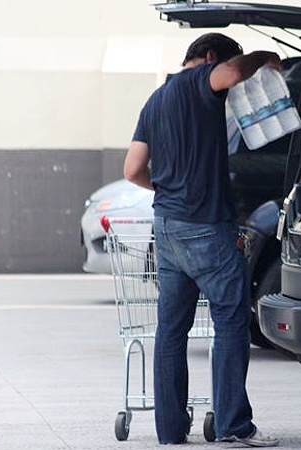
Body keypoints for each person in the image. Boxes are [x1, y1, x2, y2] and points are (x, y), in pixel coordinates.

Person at [123, 33, 282, 447]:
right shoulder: (201, 82)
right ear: (210, 57)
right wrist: (264, 57)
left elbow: (132, 168)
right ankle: (234, 425)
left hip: (167, 226)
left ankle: (171, 430)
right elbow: (231, 72)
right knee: (231, 321)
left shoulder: (155, 100)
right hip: (205, 227)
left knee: (171, 331)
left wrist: (167, 187)